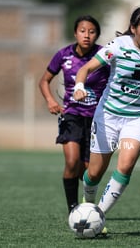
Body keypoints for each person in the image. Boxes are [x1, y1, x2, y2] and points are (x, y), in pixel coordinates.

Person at [73, 6, 140, 218]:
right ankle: (88, 202)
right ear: (133, 28)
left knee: (126, 164)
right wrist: (79, 88)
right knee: (94, 173)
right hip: (108, 115)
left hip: (139, 118)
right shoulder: (117, 46)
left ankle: (97, 216)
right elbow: (85, 69)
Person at [38, 15, 110, 214]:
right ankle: (73, 209)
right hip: (72, 115)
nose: (87, 35)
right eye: (82, 31)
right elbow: (44, 81)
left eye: (92, 31)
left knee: (87, 171)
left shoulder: (103, 56)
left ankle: (87, 202)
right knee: (71, 162)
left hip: (97, 119)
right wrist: (50, 100)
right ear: (75, 33)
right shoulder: (63, 55)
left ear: (97, 35)